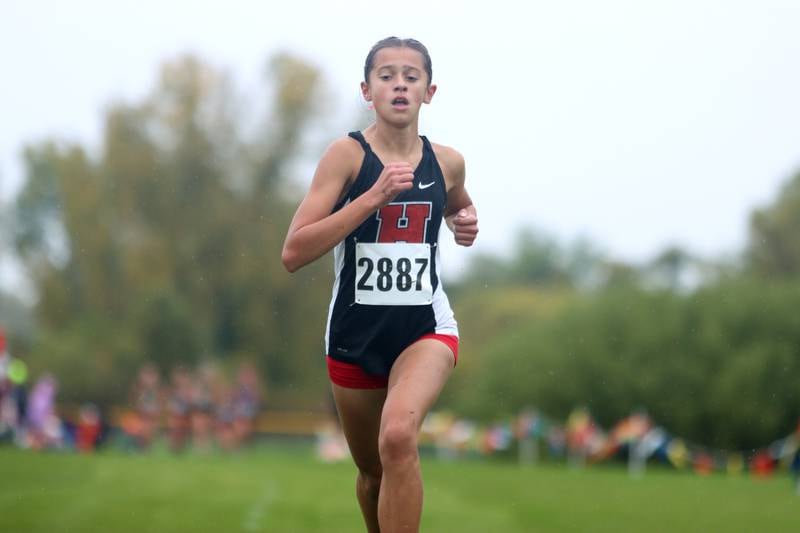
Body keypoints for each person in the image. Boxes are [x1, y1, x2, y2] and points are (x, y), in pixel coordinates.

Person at [282, 36, 478, 532]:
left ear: (429, 92)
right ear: (366, 90)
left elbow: (458, 203)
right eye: (386, 75)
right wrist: (371, 198)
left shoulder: (448, 161)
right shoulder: (346, 156)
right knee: (371, 474)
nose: (399, 85)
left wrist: (466, 222)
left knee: (397, 438)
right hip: (354, 336)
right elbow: (294, 251)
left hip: (424, 328)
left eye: (411, 77)